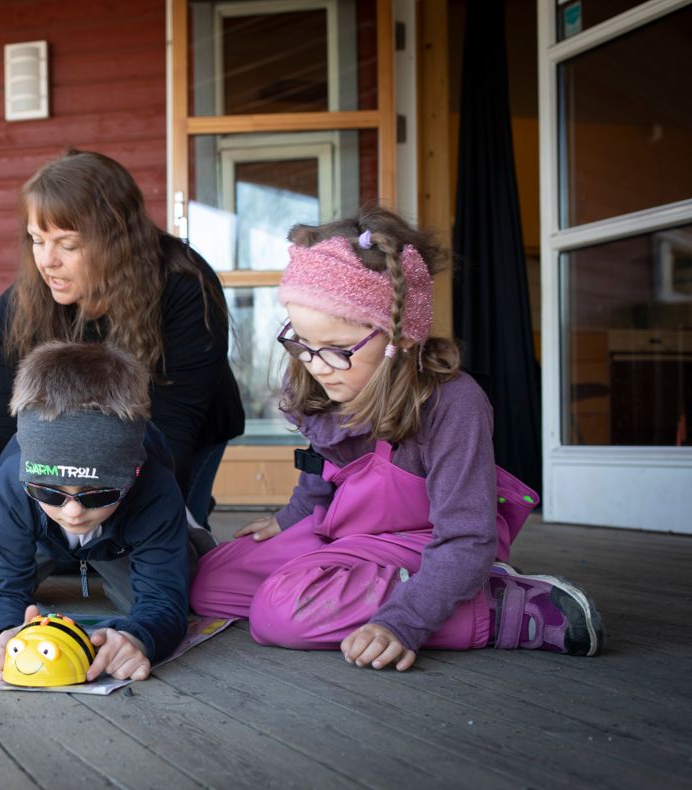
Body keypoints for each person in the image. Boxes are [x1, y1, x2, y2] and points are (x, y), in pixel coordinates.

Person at [190, 208, 604, 671]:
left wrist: (405, 621)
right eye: (301, 342)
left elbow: (467, 536)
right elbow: (321, 464)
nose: (315, 363)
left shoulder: (453, 403)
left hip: (423, 540)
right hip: (346, 531)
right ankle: (341, 584)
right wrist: (291, 519)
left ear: (401, 338)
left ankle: (495, 606)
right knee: (209, 583)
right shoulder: (321, 378)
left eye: (336, 347)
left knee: (278, 614)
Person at [0, 149, 244, 539]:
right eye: (37, 240)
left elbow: (171, 429)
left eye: (67, 245)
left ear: (116, 241)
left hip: (178, 435)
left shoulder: (184, 288)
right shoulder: (17, 308)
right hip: (65, 444)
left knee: (159, 543)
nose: (46, 261)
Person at [0, 341, 192, 682]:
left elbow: (161, 598)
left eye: (98, 495)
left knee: (173, 598)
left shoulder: (155, 487)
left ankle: (190, 541)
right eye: (47, 491)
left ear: (133, 477)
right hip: (41, 538)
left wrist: (136, 638)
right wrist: (4, 632)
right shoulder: (12, 480)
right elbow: (2, 587)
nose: (72, 513)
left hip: (120, 543)